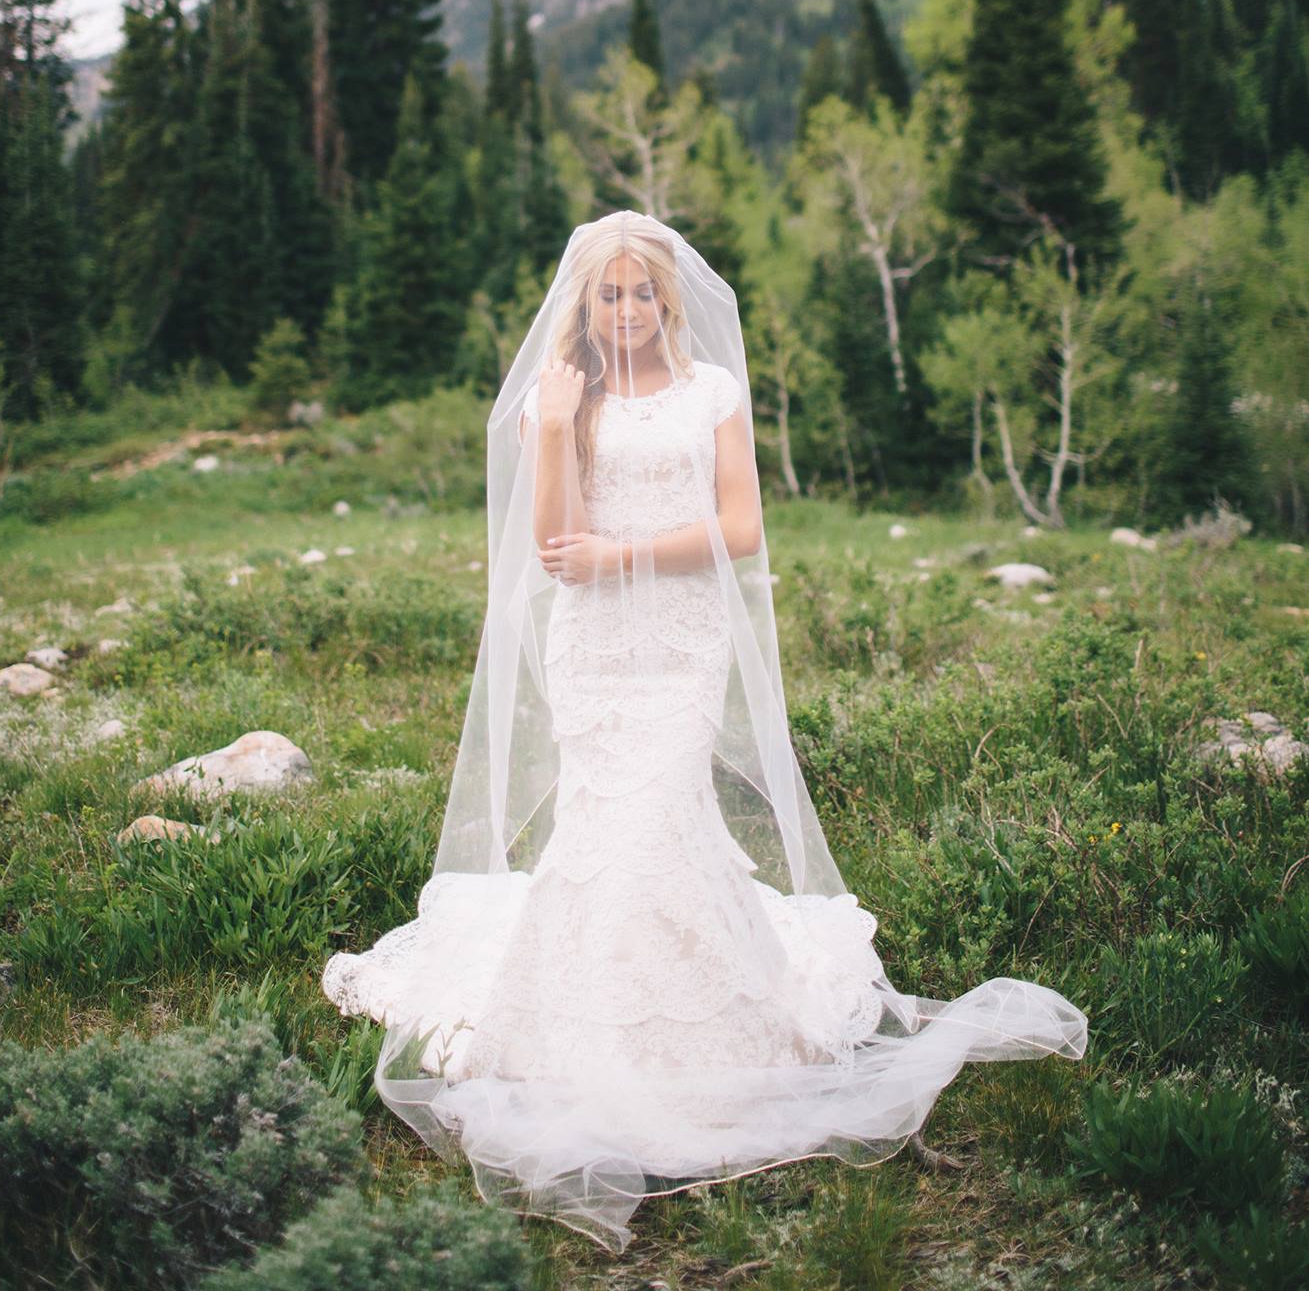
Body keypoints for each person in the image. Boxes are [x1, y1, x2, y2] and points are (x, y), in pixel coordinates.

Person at [321, 209, 1087, 1251]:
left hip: (679, 646)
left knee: (658, 819)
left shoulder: (710, 394)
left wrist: (629, 558)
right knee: (603, 837)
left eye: (642, 291)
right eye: (609, 293)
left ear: (668, 297)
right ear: (585, 302)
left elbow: (741, 527)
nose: (627, 309)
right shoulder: (566, 395)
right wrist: (549, 426)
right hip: (594, 650)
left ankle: (712, 1023)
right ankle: (579, 1029)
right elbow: (553, 544)